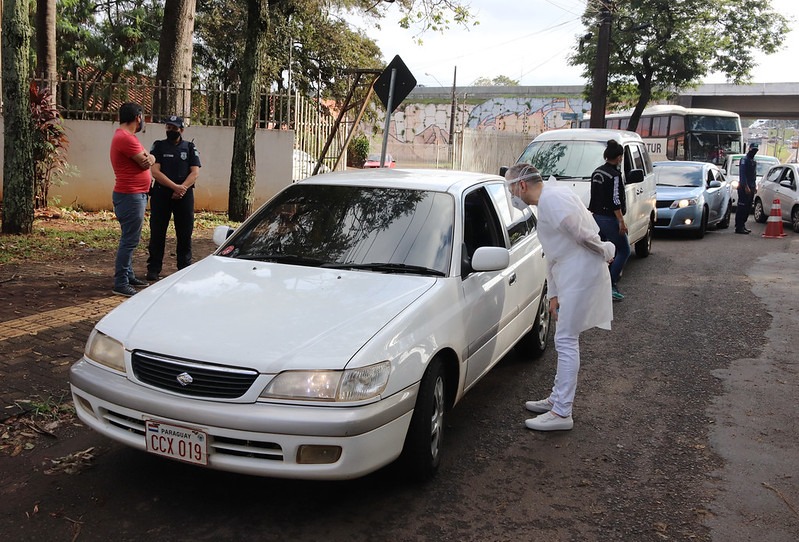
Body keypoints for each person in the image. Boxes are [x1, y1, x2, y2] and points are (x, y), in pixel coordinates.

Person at [505, 164, 615, 432]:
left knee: (566, 339)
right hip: (570, 273)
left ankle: (561, 412)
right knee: (564, 338)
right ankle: (557, 399)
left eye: (510, 189)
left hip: (579, 272)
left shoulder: (552, 200)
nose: (512, 196)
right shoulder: (549, 200)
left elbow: (579, 232)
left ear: (521, 185)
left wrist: (604, 251)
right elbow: (553, 253)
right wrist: (553, 294)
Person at [146, 116, 201, 281]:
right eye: (168, 128)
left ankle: (183, 268)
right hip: (162, 194)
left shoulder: (190, 147)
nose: (171, 131)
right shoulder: (158, 146)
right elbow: (155, 172)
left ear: (181, 130)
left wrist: (182, 188)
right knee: (157, 232)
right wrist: (174, 187)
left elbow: (195, 172)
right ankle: (153, 268)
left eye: (174, 128)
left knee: (184, 233)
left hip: (184, 196)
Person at [110, 102, 155, 297]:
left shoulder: (128, 137)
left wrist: (150, 158)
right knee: (129, 241)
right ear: (138, 117)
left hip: (134, 195)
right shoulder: (125, 138)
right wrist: (150, 158)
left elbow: (149, 158)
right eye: (143, 117)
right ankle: (120, 282)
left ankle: (128, 275)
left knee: (129, 238)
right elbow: (146, 162)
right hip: (130, 195)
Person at [588, 139, 630, 302]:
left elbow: (594, 197)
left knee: (602, 253)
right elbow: (615, 200)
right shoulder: (614, 175)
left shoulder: (597, 172)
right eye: (621, 157)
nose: (621, 160)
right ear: (619, 157)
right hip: (609, 219)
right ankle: (610, 286)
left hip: (596, 217)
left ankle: (596, 285)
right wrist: (621, 221)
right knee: (624, 250)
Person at [735, 144, 758, 234]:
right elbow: (742, 174)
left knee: (748, 208)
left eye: (756, 150)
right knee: (742, 207)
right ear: (749, 149)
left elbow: (754, 175)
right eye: (753, 150)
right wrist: (746, 186)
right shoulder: (744, 160)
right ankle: (739, 226)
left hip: (751, 187)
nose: (754, 152)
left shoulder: (753, 161)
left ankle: (743, 225)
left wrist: (754, 186)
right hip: (744, 188)